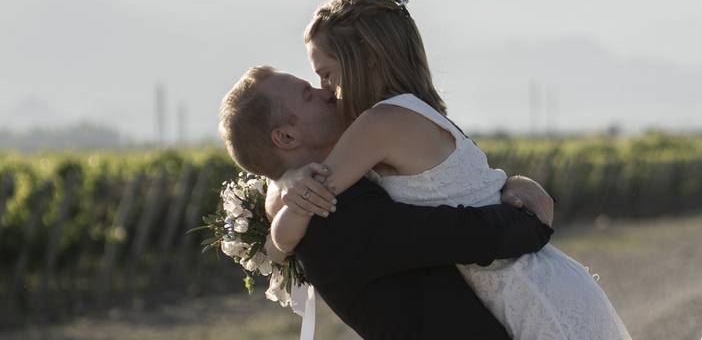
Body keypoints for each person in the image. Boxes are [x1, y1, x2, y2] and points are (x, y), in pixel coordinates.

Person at [269, 0, 633, 340]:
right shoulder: (412, 111)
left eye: (327, 74)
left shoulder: (379, 124)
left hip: (528, 298)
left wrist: (276, 232)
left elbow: (305, 206)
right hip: (534, 283)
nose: (326, 90)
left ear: (366, 59)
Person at [218, 65, 556, 340]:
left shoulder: (335, 188)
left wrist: (509, 183)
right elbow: (456, 234)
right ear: (287, 137)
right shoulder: (333, 216)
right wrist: (532, 220)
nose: (327, 93)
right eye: (309, 95)